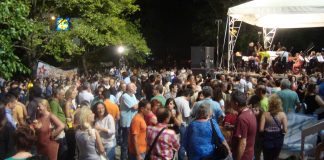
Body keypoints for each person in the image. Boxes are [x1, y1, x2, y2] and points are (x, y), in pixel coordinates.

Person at [260, 94, 288, 160]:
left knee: (266, 157)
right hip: (278, 139)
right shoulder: (282, 114)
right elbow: (285, 130)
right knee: (275, 157)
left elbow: (261, 129)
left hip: (267, 138)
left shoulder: (265, 114)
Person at [231, 90, 257, 160]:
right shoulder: (249, 112)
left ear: (236, 103)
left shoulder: (242, 118)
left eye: (231, 102)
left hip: (244, 156)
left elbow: (243, 143)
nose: (230, 104)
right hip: (250, 154)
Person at [120, 83, 139, 160]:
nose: (136, 87)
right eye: (134, 87)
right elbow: (135, 106)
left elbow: (137, 105)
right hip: (126, 123)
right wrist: (139, 104)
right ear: (129, 88)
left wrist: (138, 104)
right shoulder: (125, 96)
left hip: (132, 121)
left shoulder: (133, 95)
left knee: (131, 142)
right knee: (125, 143)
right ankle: (123, 158)